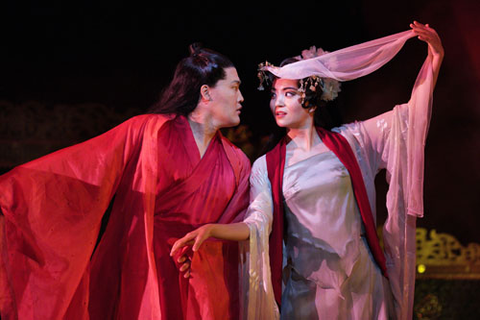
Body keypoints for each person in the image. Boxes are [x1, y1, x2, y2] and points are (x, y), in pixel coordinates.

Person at [171, 21, 444, 319]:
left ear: (312, 99)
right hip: (308, 293)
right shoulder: (267, 165)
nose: (278, 102)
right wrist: (211, 229)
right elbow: (258, 223)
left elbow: (408, 118)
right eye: (275, 94)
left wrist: (435, 58)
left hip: (362, 285)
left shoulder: (352, 141)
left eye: (289, 93)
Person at [0, 43, 251, 319]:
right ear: (206, 92)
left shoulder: (237, 161)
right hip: (145, 266)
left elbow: (241, 225)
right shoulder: (148, 132)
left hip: (203, 278)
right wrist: (14, 192)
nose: (241, 98)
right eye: (235, 87)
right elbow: (85, 168)